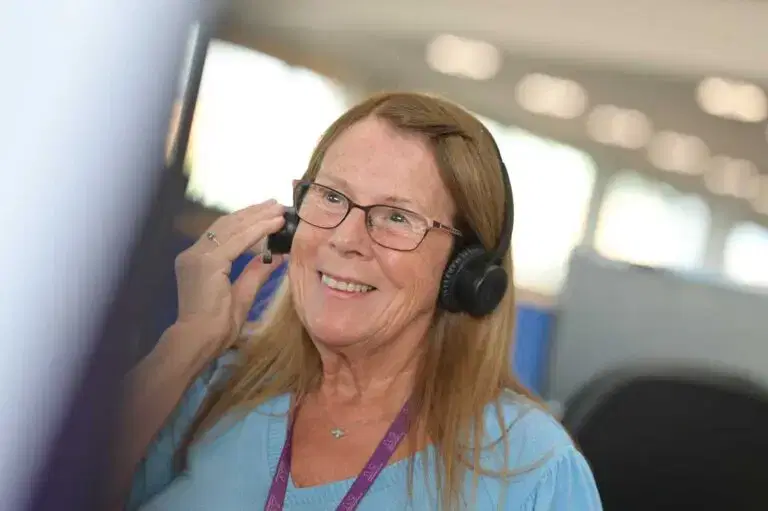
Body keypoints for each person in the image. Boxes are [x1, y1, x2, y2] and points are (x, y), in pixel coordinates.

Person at [112, 92, 602, 510]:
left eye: (396, 216)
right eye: (330, 197)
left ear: (465, 271)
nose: (346, 238)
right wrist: (187, 344)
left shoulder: (534, 469)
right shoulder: (209, 387)